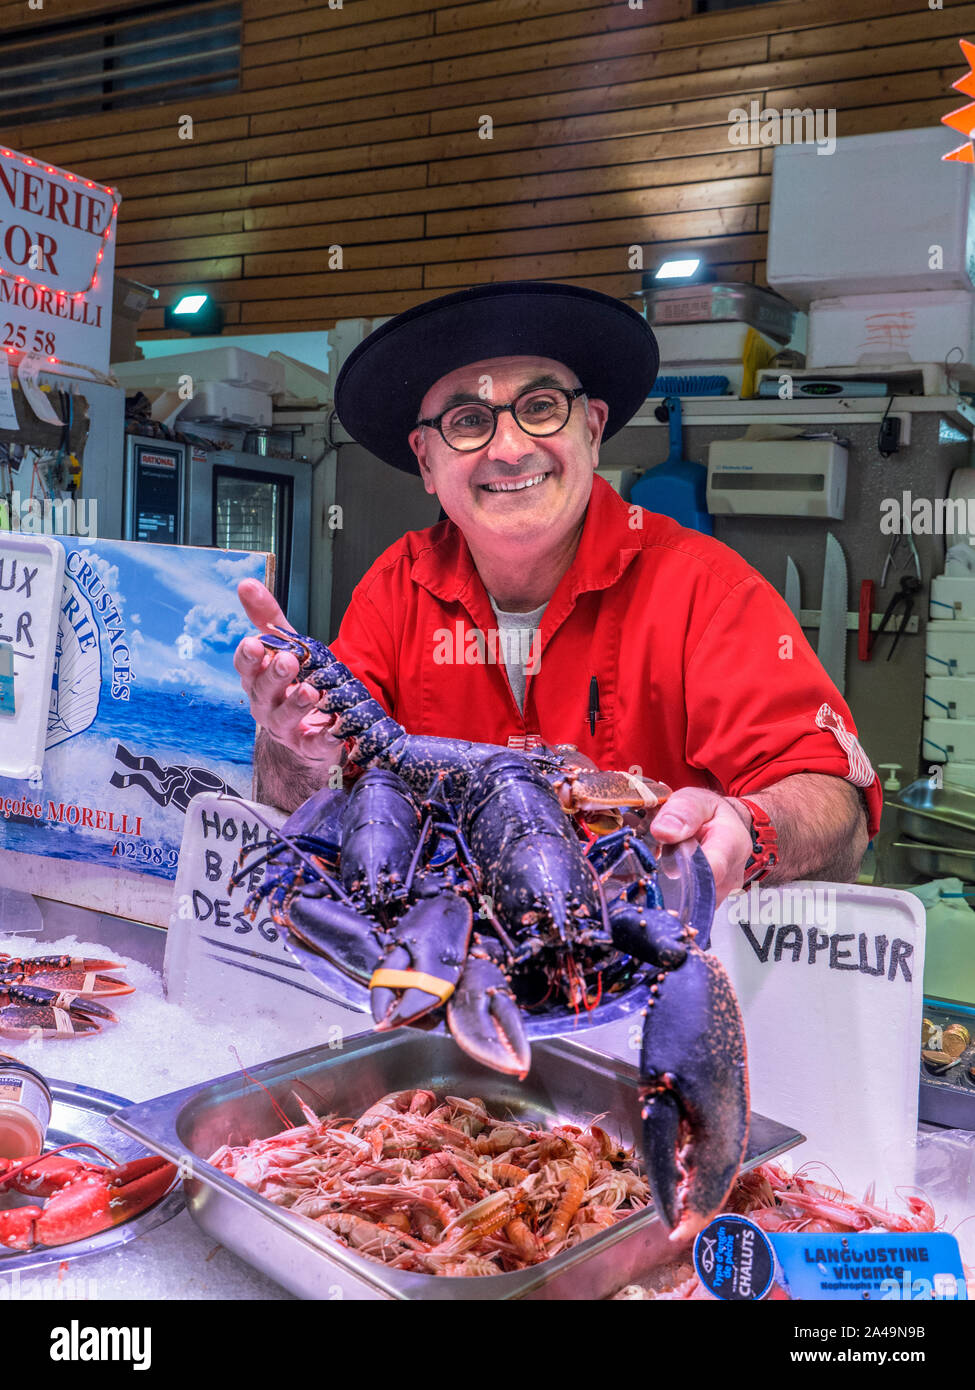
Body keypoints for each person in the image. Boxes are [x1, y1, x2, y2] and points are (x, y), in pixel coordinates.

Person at [234, 281, 881, 903]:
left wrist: (748, 827)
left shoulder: (705, 590)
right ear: (426, 461)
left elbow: (834, 806)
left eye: (541, 407)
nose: (510, 448)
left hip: (648, 975)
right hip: (438, 970)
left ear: (592, 430)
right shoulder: (394, 588)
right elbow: (301, 793)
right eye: (467, 420)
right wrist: (290, 740)